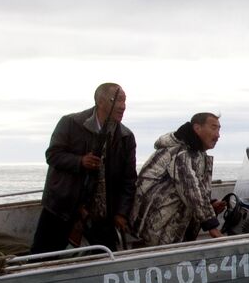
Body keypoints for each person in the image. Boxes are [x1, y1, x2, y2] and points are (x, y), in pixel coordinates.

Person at [29, 83, 138, 254]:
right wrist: (80, 161)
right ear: (100, 102)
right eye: (117, 100)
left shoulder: (126, 137)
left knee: (106, 260)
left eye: (125, 101)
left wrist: (121, 213)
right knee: (41, 256)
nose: (122, 106)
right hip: (62, 207)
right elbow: (52, 155)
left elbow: (129, 180)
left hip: (102, 214)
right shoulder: (70, 123)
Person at [130, 112, 224, 247]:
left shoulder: (197, 154)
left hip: (170, 234)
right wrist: (213, 227)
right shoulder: (180, 153)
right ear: (197, 128)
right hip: (156, 234)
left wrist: (211, 205)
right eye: (214, 128)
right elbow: (191, 191)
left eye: (219, 129)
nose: (218, 135)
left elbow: (197, 189)